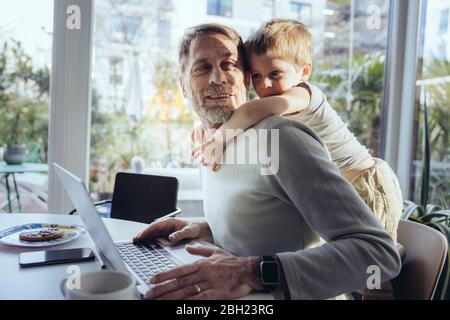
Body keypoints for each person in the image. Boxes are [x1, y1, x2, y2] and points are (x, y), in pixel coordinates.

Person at [133, 23, 401, 300]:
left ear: (246, 79)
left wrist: (250, 271)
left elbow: (378, 255)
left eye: (229, 65)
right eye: (202, 67)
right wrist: (204, 230)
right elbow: (269, 223)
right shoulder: (209, 143)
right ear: (183, 86)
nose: (218, 78)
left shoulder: (280, 138)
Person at [192, 19, 402, 242]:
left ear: (304, 72)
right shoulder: (272, 100)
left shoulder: (304, 94)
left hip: (367, 184)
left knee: (371, 252)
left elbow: (251, 111)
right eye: (256, 76)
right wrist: (202, 125)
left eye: (275, 73)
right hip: (343, 186)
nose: (265, 85)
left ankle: (387, 276)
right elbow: (247, 114)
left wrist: (219, 137)